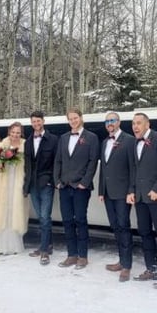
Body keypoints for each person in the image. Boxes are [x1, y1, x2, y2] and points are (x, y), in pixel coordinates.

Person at [126, 112, 157, 283]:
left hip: (155, 196)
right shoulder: (134, 143)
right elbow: (134, 169)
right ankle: (151, 269)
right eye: (133, 123)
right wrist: (131, 190)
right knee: (145, 232)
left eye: (139, 123)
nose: (135, 126)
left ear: (147, 124)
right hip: (139, 196)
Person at [53, 107, 99, 269]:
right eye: (70, 119)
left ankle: (83, 256)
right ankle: (71, 255)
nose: (73, 121)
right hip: (64, 186)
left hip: (81, 187)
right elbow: (58, 160)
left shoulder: (91, 138)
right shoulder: (63, 138)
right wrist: (57, 181)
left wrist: (84, 183)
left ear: (81, 118)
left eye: (75, 118)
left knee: (80, 220)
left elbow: (92, 162)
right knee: (67, 221)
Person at [98, 111, 136, 282]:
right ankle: (121, 261)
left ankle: (127, 266)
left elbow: (133, 169)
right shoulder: (105, 141)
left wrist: (131, 191)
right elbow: (103, 169)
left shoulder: (129, 140)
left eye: (112, 120)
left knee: (124, 226)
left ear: (119, 122)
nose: (110, 123)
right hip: (108, 193)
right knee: (115, 226)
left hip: (122, 193)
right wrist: (101, 191)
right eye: (107, 121)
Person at [0, 122, 29, 255]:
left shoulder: (25, 145)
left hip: (19, 183)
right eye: (13, 132)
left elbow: (30, 164)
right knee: (3, 213)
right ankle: (3, 247)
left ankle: (16, 246)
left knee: (16, 212)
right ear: (9, 132)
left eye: (18, 132)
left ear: (21, 133)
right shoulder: (1, 146)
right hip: (4, 184)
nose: (15, 135)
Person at [23, 110, 58, 265]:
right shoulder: (28, 141)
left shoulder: (53, 139)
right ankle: (48, 245)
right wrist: (26, 186)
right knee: (41, 218)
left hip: (46, 184)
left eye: (38, 121)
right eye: (33, 122)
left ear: (43, 121)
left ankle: (44, 251)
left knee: (45, 218)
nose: (36, 124)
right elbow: (27, 165)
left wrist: (52, 180)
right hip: (33, 185)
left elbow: (57, 163)